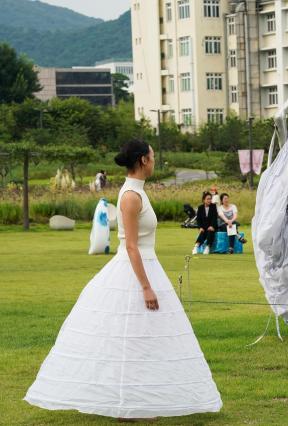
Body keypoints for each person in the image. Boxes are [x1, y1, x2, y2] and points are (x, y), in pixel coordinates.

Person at [24, 140, 222, 419]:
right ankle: (126, 405)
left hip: (148, 264)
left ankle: (136, 400)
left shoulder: (139, 192)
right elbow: (131, 246)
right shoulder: (130, 195)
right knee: (129, 337)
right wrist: (145, 287)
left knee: (145, 338)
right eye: (153, 156)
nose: (155, 160)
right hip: (134, 270)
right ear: (143, 160)